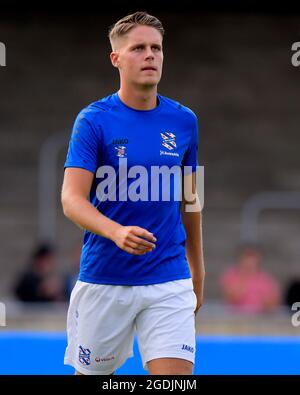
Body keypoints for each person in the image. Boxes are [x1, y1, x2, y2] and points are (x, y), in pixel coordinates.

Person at [61, 11, 205, 375]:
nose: (150, 55)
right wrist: (116, 231)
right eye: (138, 48)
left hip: (169, 277)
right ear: (116, 58)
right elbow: (71, 200)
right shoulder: (92, 120)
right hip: (106, 278)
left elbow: (192, 198)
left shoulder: (186, 121)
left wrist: (197, 270)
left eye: (156, 48)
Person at [219, 245, 281, 313]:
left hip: (259, 318)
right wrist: (244, 276)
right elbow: (231, 297)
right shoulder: (231, 275)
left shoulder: (266, 279)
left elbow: (273, 303)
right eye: (247, 257)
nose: (249, 261)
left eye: (252, 257)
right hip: (236, 317)